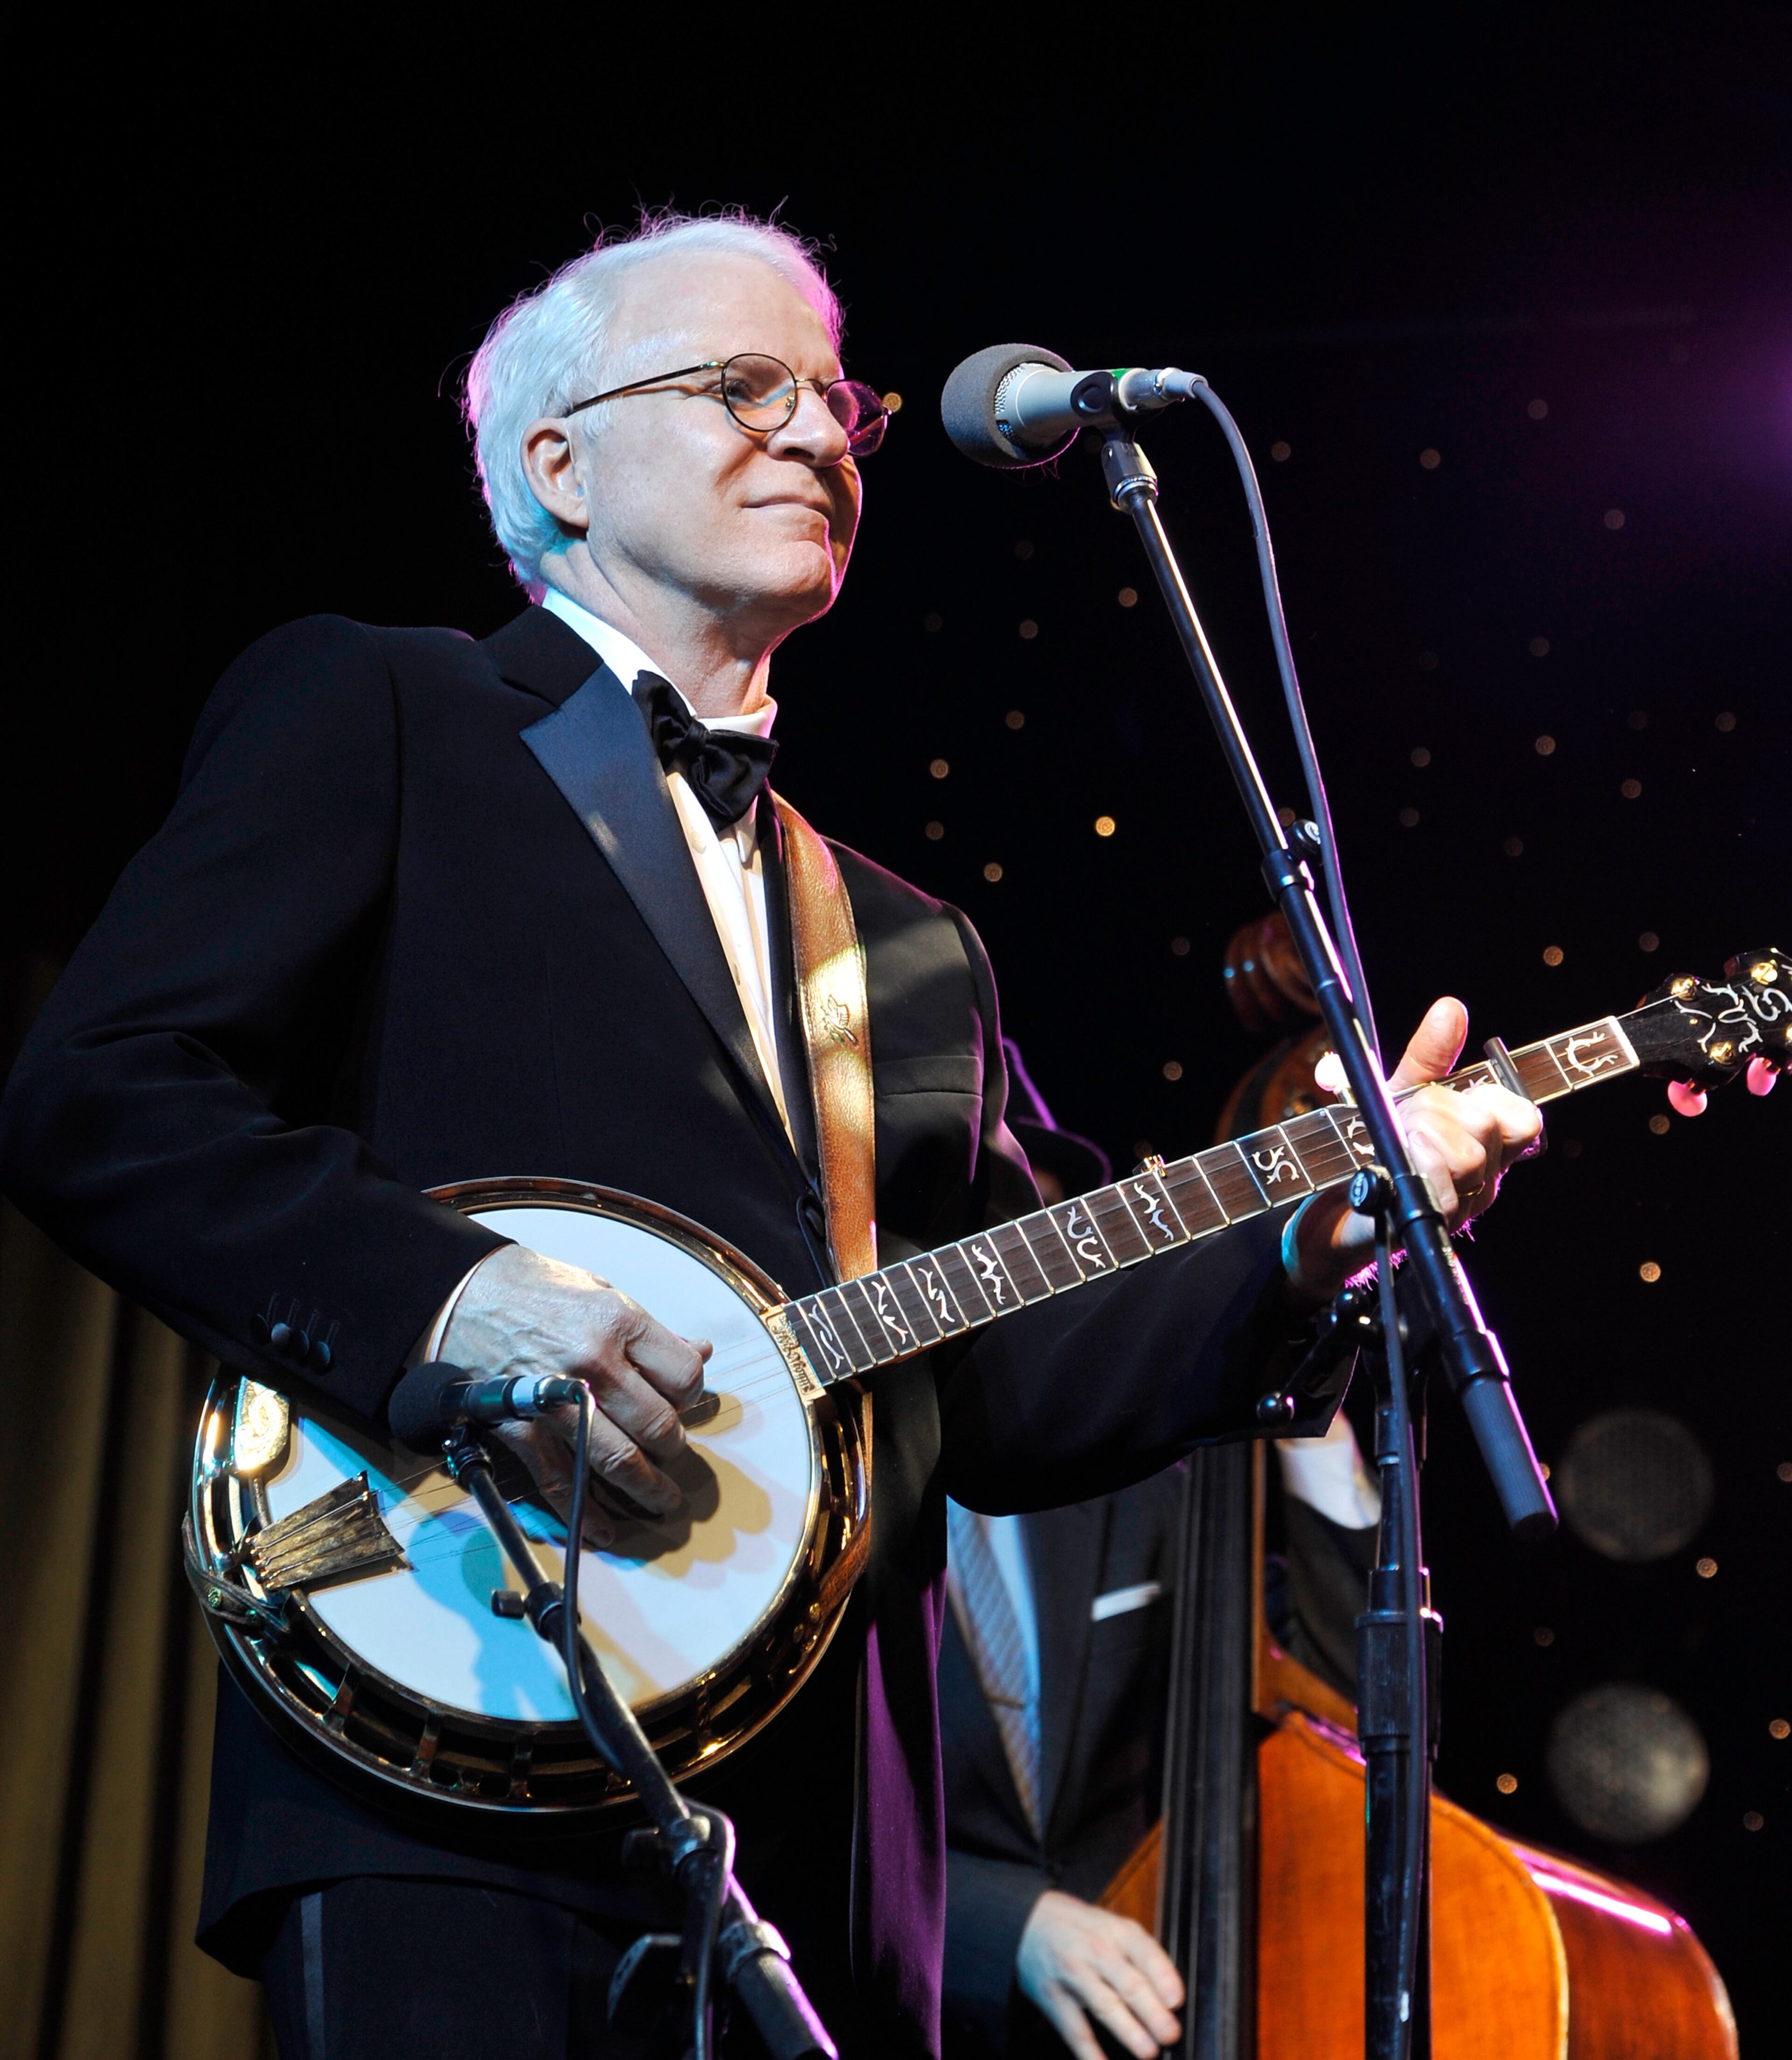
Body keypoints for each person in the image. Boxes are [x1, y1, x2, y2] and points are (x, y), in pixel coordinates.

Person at [0, 212, 1538, 2060]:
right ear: (555, 461)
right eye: (743, 387)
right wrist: (450, 1302)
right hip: (467, 1752)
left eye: (838, 400)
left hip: (826, 1855)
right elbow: (108, 1090)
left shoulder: (909, 939)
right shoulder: (385, 708)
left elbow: (1012, 1379)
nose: (817, 431)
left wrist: (1307, 1239)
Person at [940, 1046, 1379, 2060]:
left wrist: (1309, 1380)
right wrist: (1005, 1922)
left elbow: (1338, 1704)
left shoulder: (1139, 1481)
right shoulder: (810, 1482)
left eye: (1047, 1229)